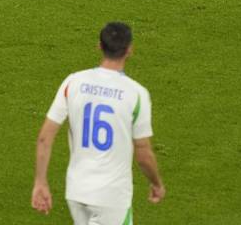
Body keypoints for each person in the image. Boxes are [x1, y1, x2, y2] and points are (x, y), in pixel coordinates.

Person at [32, 22, 165, 224]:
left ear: (99, 46)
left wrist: (40, 182)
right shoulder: (136, 94)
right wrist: (156, 183)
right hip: (111, 196)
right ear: (129, 50)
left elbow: (44, 138)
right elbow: (143, 153)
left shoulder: (73, 82)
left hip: (77, 192)